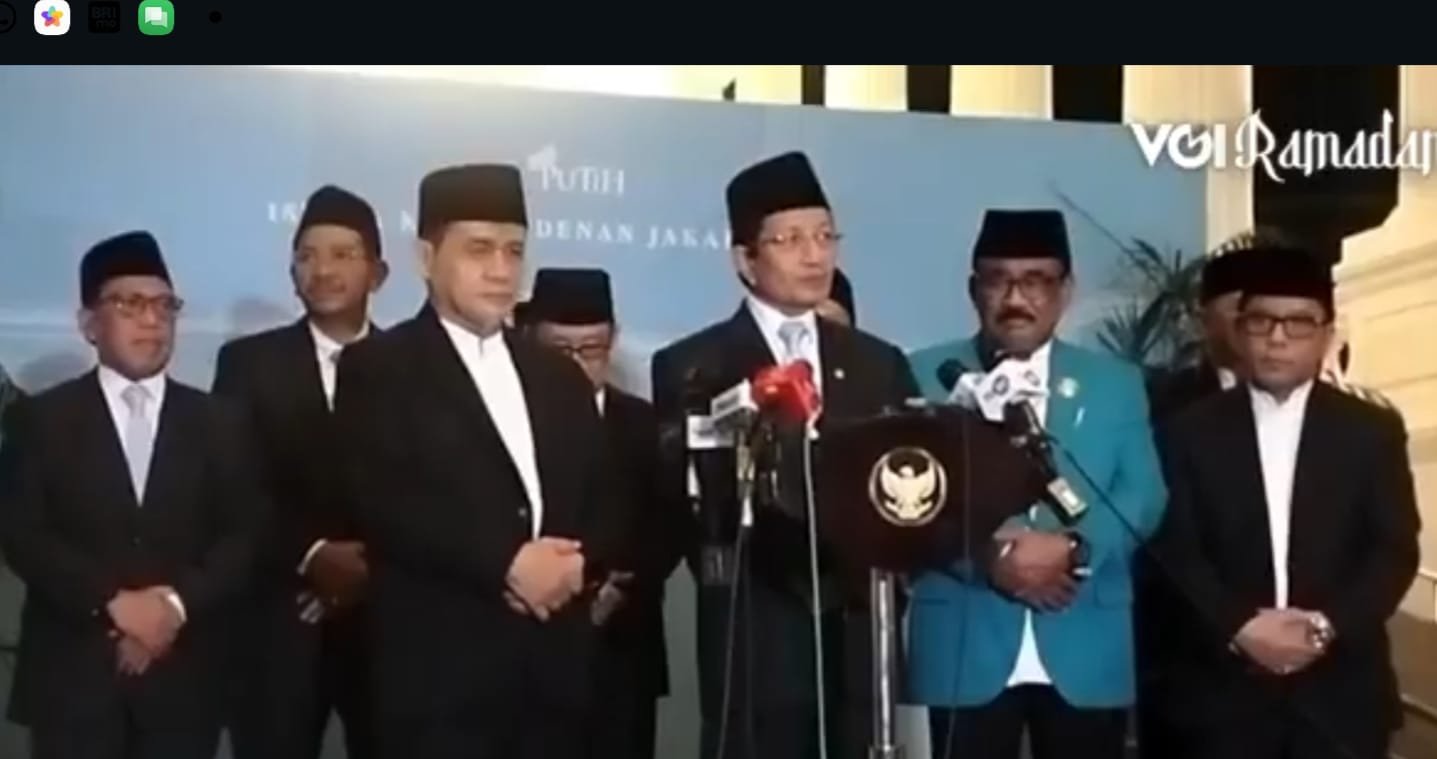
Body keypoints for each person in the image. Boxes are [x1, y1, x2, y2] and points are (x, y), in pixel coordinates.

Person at [331, 163, 622, 759]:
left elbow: (606, 494)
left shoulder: (557, 375)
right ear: (426, 257)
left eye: (514, 251)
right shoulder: (379, 368)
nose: (500, 270)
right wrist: (507, 564)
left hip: (552, 681)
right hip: (439, 686)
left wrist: (577, 566)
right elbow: (384, 502)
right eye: (479, 249)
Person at [650, 150, 919, 759]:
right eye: (790, 239)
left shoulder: (878, 362)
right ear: (745, 260)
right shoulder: (694, 366)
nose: (814, 255)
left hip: (859, 629)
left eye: (825, 236)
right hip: (755, 630)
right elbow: (681, 506)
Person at [905, 209, 1167, 759]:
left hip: (1085, 633)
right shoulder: (923, 374)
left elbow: (1142, 495)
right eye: (998, 280)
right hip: (964, 635)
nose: (1015, 298)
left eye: (1036, 281)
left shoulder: (1114, 383)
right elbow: (906, 501)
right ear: (973, 290)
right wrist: (990, 557)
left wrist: (1073, 547)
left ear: (1065, 290)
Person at [0, 231, 266, 759]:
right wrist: (114, 604)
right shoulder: (41, 420)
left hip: (186, 678)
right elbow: (21, 534)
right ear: (89, 324)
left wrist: (173, 606)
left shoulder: (220, 422)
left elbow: (246, 534)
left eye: (165, 306)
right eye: (130, 304)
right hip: (74, 679)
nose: (151, 320)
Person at [1152, 247, 1420, 759]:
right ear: (1238, 331)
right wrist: (1240, 626)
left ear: (1326, 334)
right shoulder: (1187, 432)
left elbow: (1393, 550)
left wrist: (1323, 627)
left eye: (1298, 323)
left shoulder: (1370, 431)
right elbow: (1175, 549)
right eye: (1262, 322)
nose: (1277, 339)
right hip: (1220, 697)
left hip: (1341, 695)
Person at [213, 185, 389, 759]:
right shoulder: (248, 364)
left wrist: (362, 572)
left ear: (378, 272)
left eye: (342, 254)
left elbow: (430, 489)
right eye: (307, 256)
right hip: (279, 620)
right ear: (292, 274)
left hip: (387, 625)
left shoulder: (414, 366)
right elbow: (235, 486)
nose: (323, 270)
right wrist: (312, 556)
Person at [519, 267, 683, 759]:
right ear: (528, 340)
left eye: (590, 350)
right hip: (526, 645)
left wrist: (616, 585)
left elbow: (668, 521)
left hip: (621, 646)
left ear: (612, 341)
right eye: (560, 350)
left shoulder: (644, 423)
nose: (575, 364)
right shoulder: (504, 420)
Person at [1135, 230, 1264, 758]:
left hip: (1310, 682)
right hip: (1190, 672)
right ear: (1201, 317)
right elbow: (1153, 526)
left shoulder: (1341, 413)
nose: (1257, 321)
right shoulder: (1155, 404)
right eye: (1240, 306)